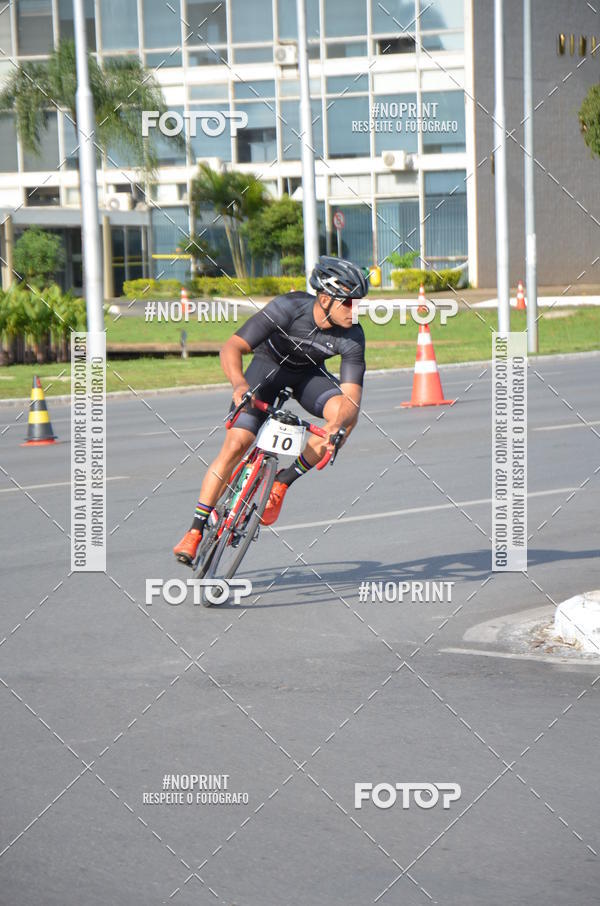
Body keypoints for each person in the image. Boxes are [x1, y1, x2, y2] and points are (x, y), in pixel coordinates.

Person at [173, 255, 369, 565]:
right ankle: (195, 530)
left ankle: (281, 481)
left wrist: (336, 427)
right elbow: (232, 347)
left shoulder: (353, 336)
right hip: (265, 370)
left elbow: (352, 396)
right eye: (348, 303)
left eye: (358, 303)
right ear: (324, 298)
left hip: (307, 376)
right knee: (236, 444)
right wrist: (238, 386)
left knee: (346, 417)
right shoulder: (289, 308)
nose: (354, 310)